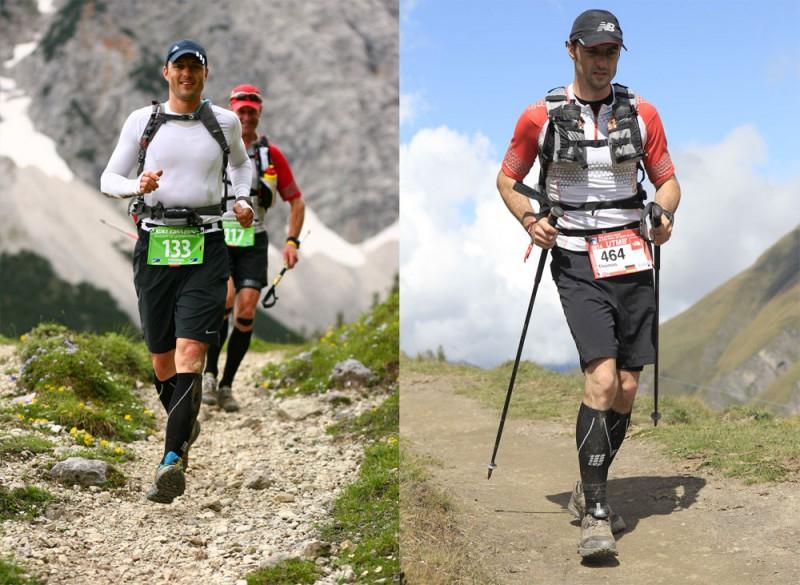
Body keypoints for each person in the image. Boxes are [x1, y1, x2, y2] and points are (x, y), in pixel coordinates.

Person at [496, 10, 681, 560]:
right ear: (572, 50)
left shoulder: (643, 113)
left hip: (632, 257)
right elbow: (508, 179)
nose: (603, 62)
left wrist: (663, 216)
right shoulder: (540, 116)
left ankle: (587, 484)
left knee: (626, 389)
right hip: (576, 259)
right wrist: (532, 221)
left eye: (612, 52)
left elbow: (668, 182)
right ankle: (597, 514)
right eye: (594, 51)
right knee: (601, 381)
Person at [100, 40, 254, 504]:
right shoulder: (142, 121)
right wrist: (135, 185)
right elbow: (109, 179)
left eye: (196, 67)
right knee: (162, 360)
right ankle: (183, 421)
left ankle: (171, 460)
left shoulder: (223, 123)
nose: (187, 74)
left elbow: (242, 168)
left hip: (206, 244)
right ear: (166, 72)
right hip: (155, 245)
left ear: (206, 75)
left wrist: (242, 201)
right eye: (180, 67)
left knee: (191, 353)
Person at [202, 83, 306, 412]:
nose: (245, 116)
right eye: (240, 110)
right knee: (226, 298)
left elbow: (296, 200)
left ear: (259, 113)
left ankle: (227, 385)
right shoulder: (214, 147)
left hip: (254, 239)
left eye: (251, 111)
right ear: (231, 111)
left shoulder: (269, 155)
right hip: (220, 233)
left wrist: (291, 241)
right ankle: (208, 373)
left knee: (246, 308)